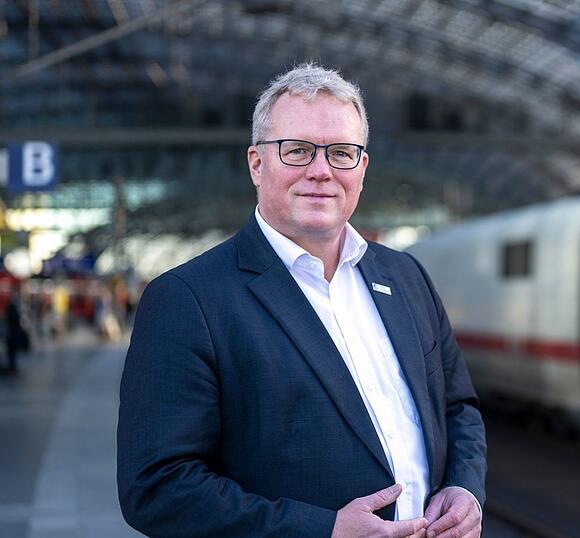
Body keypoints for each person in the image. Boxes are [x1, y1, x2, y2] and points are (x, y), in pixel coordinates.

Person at [117, 63, 486, 538]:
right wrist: (322, 530)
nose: (320, 171)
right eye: (297, 151)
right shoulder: (188, 299)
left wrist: (465, 488)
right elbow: (156, 487)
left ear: (362, 167)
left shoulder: (406, 276)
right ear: (256, 163)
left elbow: (459, 408)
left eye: (341, 153)